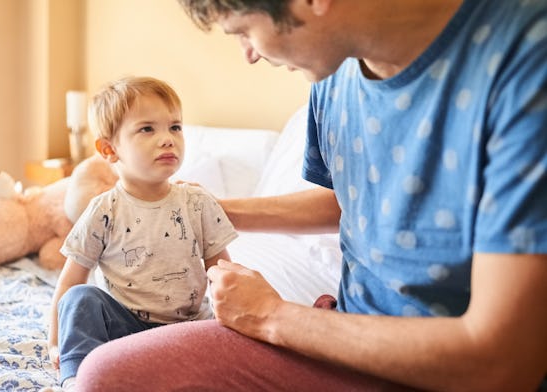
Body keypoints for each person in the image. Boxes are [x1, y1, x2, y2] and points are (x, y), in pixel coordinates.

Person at [72, 1, 547, 391]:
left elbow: (503, 361)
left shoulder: (525, 57)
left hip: (452, 368)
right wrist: (200, 207)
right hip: (345, 343)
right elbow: (348, 200)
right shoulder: (331, 77)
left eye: (243, 31)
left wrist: (274, 316)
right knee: (106, 374)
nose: (248, 55)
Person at [47, 76, 238, 390]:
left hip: (186, 329)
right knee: (81, 298)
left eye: (175, 127)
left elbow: (224, 274)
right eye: (147, 129)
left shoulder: (198, 203)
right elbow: (70, 282)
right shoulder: (103, 211)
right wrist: (56, 343)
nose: (167, 139)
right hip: (122, 331)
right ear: (109, 149)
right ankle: (75, 381)